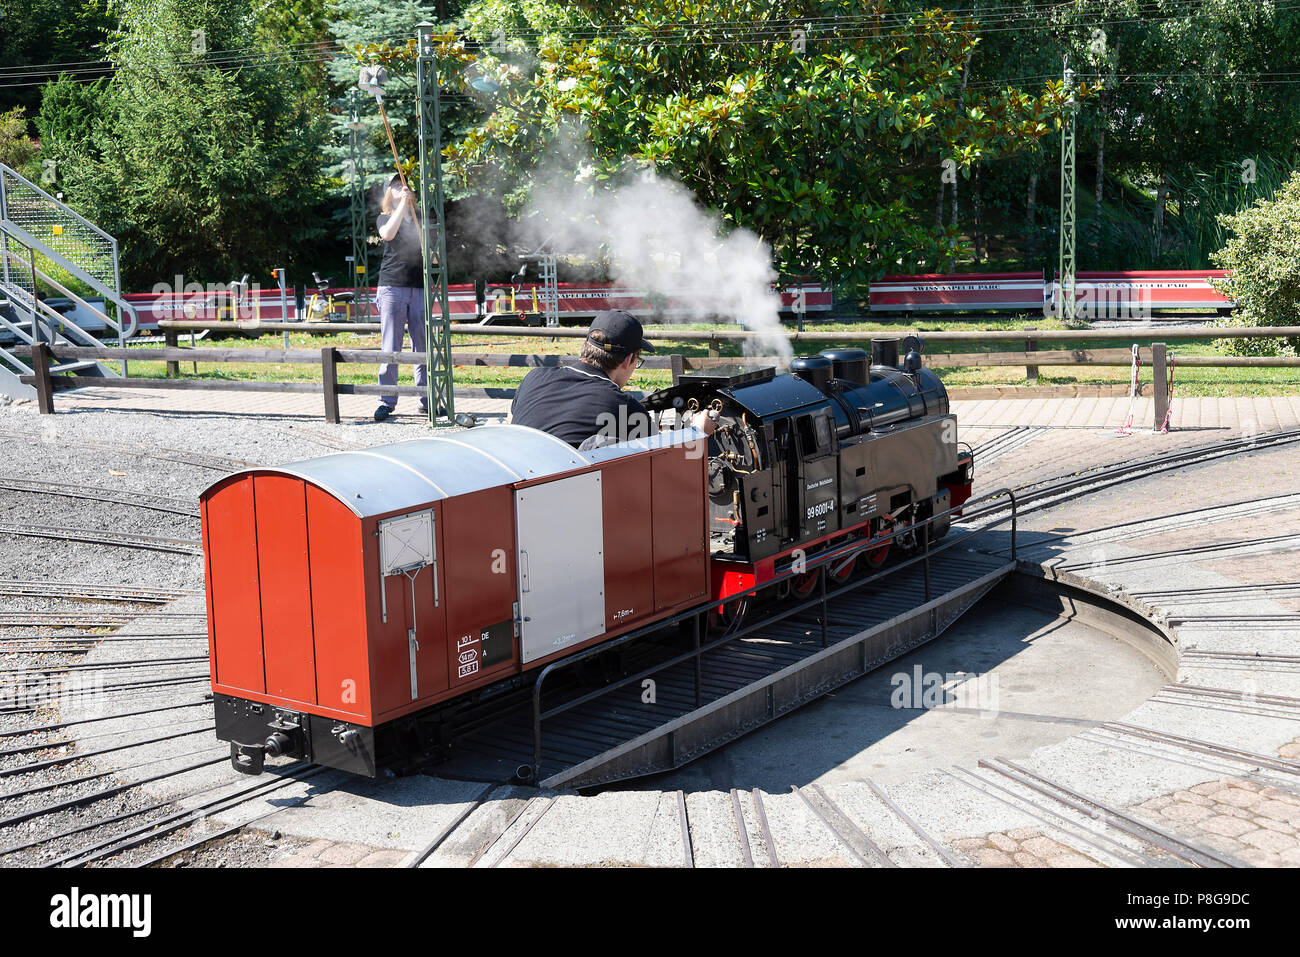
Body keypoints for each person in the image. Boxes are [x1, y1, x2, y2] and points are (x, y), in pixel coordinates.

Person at [511, 309, 716, 449]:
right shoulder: (624, 407)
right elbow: (663, 464)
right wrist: (697, 432)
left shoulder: (533, 378)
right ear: (629, 360)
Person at [373, 175, 427, 421]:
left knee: (422, 345)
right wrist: (403, 206)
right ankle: (387, 401)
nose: (401, 186)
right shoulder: (385, 217)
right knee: (391, 345)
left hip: (418, 287)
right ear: (389, 194)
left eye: (403, 183)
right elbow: (387, 234)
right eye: (395, 185)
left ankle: (427, 398)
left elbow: (430, 250)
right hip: (392, 286)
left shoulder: (420, 219)